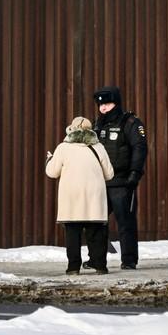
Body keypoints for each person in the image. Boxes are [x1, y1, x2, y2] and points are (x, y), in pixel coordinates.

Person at [46, 117, 115, 275]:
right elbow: (109, 174)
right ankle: (100, 266)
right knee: (96, 233)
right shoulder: (98, 147)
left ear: (71, 129)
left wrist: (49, 160)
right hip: (94, 196)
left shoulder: (63, 148)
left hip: (71, 196)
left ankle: (73, 268)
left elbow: (52, 172)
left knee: (73, 234)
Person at [93, 86, 148, 270]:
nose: (103, 108)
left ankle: (129, 260)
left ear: (116, 103)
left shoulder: (130, 122)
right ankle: (97, 260)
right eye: (101, 105)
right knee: (96, 223)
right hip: (101, 182)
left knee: (126, 223)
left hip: (122, 182)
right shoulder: (97, 124)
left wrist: (135, 173)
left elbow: (140, 148)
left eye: (107, 104)